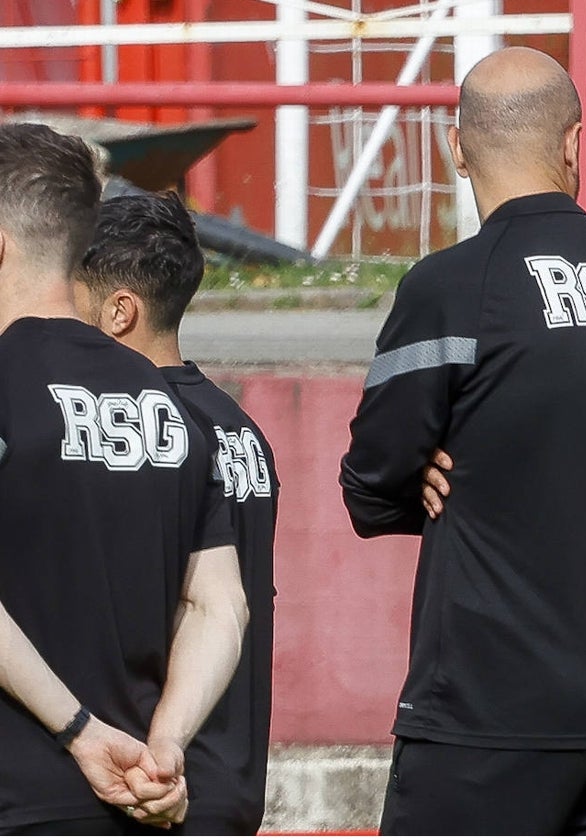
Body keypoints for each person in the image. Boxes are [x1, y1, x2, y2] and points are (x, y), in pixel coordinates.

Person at [339, 46, 586, 835]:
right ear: (573, 145)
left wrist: (421, 478)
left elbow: (368, 482)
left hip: (489, 709)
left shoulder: (450, 285)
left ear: (456, 151)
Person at [0, 122, 247, 834]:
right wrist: (166, 745)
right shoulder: (167, 400)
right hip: (139, 799)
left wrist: (79, 730)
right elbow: (219, 606)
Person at [73, 191, 280, 835]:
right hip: (233, 780)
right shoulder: (241, 429)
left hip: (153, 783)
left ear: (118, 311)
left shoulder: (133, 436)